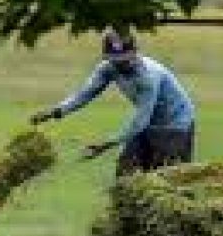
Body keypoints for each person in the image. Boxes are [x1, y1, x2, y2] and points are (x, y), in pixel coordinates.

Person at [30, 28, 196, 176]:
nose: (120, 65)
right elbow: (85, 94)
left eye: (124, 60)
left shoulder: (147, 77)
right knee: (126, 173)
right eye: (114, 60)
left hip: (174, 124)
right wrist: (56, 112)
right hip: (148, 122)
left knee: (168, 178)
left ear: (135, 53)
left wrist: (107, 143)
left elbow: (140, 121)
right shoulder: (108, 68)